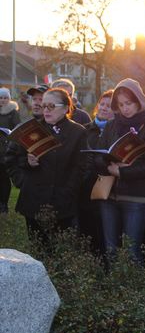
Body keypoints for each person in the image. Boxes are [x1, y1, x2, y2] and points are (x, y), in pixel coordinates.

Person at [93, 78, 145, 264]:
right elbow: (97, 156)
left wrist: (124, 172)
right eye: (121, 104)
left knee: (132, 250)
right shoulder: (111, 125)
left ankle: (133, 290)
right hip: (108, 195)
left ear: (139, 101)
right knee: (110, 249)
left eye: (129, 103)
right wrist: (108, 165)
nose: (125, 108)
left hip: (136, 198)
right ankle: (111, 288)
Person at [5, 88, 86, 243]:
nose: (46, 111)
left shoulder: (78, 132)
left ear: (66, 108)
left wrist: (69, 191)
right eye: (44, 106)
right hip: (34, 200)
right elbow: (12, 158)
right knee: (38, 249)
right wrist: (25, 175)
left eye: (51, 106)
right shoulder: (31, 129)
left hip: (63, 203)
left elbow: (81, 167)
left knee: (60, 250)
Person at [78, 89, 114, 254]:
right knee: (86, 229)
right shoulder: (84, 130)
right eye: (102, 103)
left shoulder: (118, 132)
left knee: (107, 231)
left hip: (109, 187)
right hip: (85, 187)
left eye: (110, 105)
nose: (104, 108)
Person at [0, 87, 21, 213]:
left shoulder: (13, 112)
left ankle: (3, 204)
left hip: (6, 149)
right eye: (1, 98)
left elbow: (17, 128)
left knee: (4, 178)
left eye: (5, 98)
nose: (3, 100)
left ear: (9, 99)